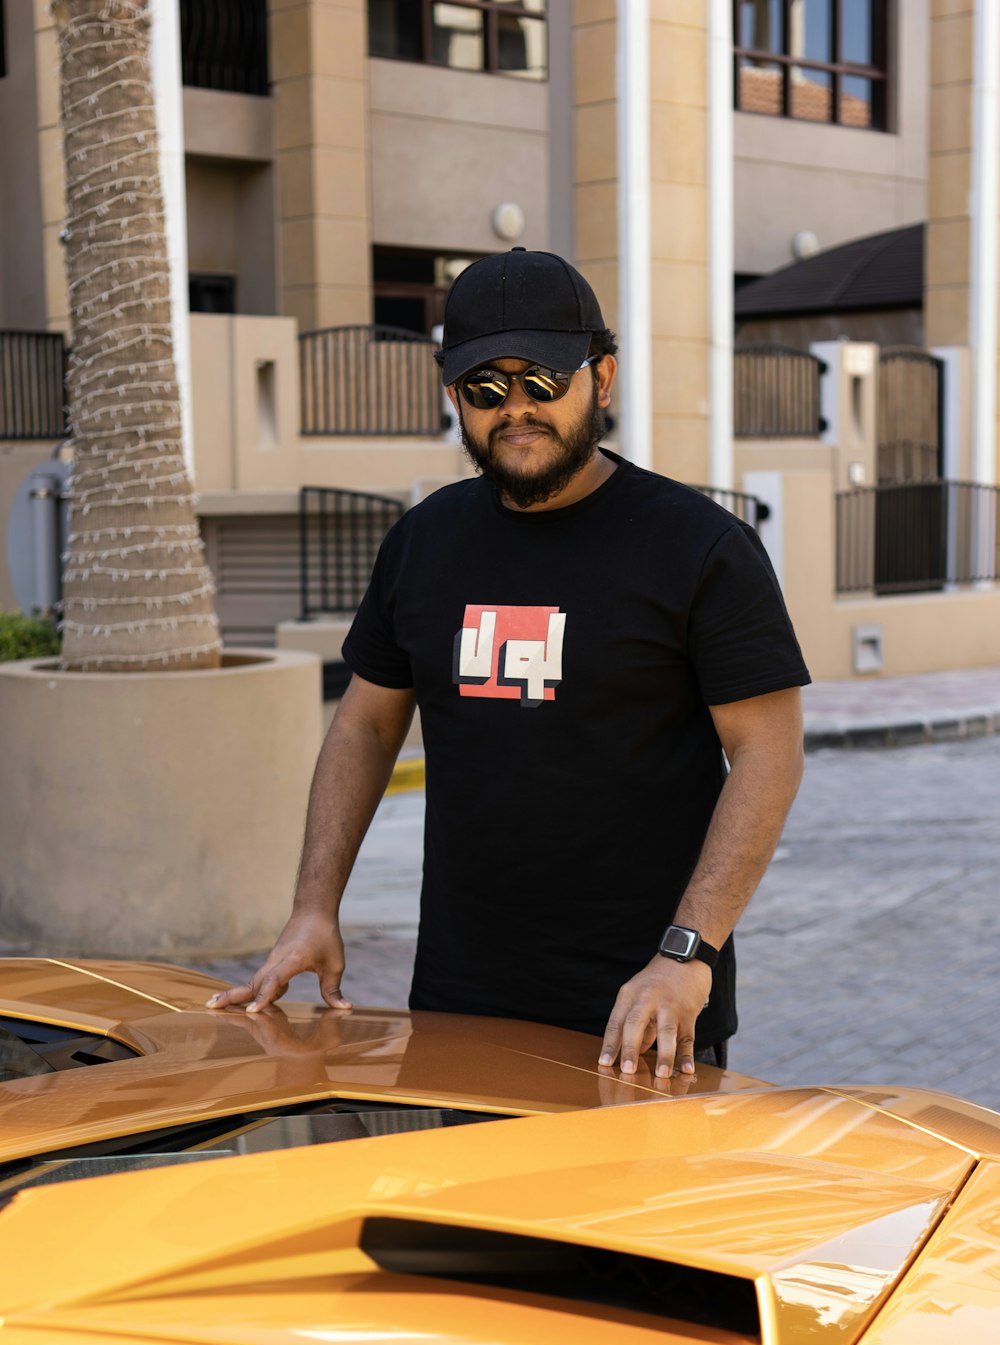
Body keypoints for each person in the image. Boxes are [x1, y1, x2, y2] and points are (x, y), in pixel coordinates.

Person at [209, 248, 810, 1078]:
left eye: (543, 380)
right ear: (455, 395)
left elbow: (768, 752)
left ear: (601, 379)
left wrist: (688, 954)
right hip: (458, 1003)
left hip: (642, 1009)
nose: (516, 409)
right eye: (486, 388)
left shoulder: (698, 547)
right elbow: (365, 723)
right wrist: (315, 907)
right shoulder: (424, 542)